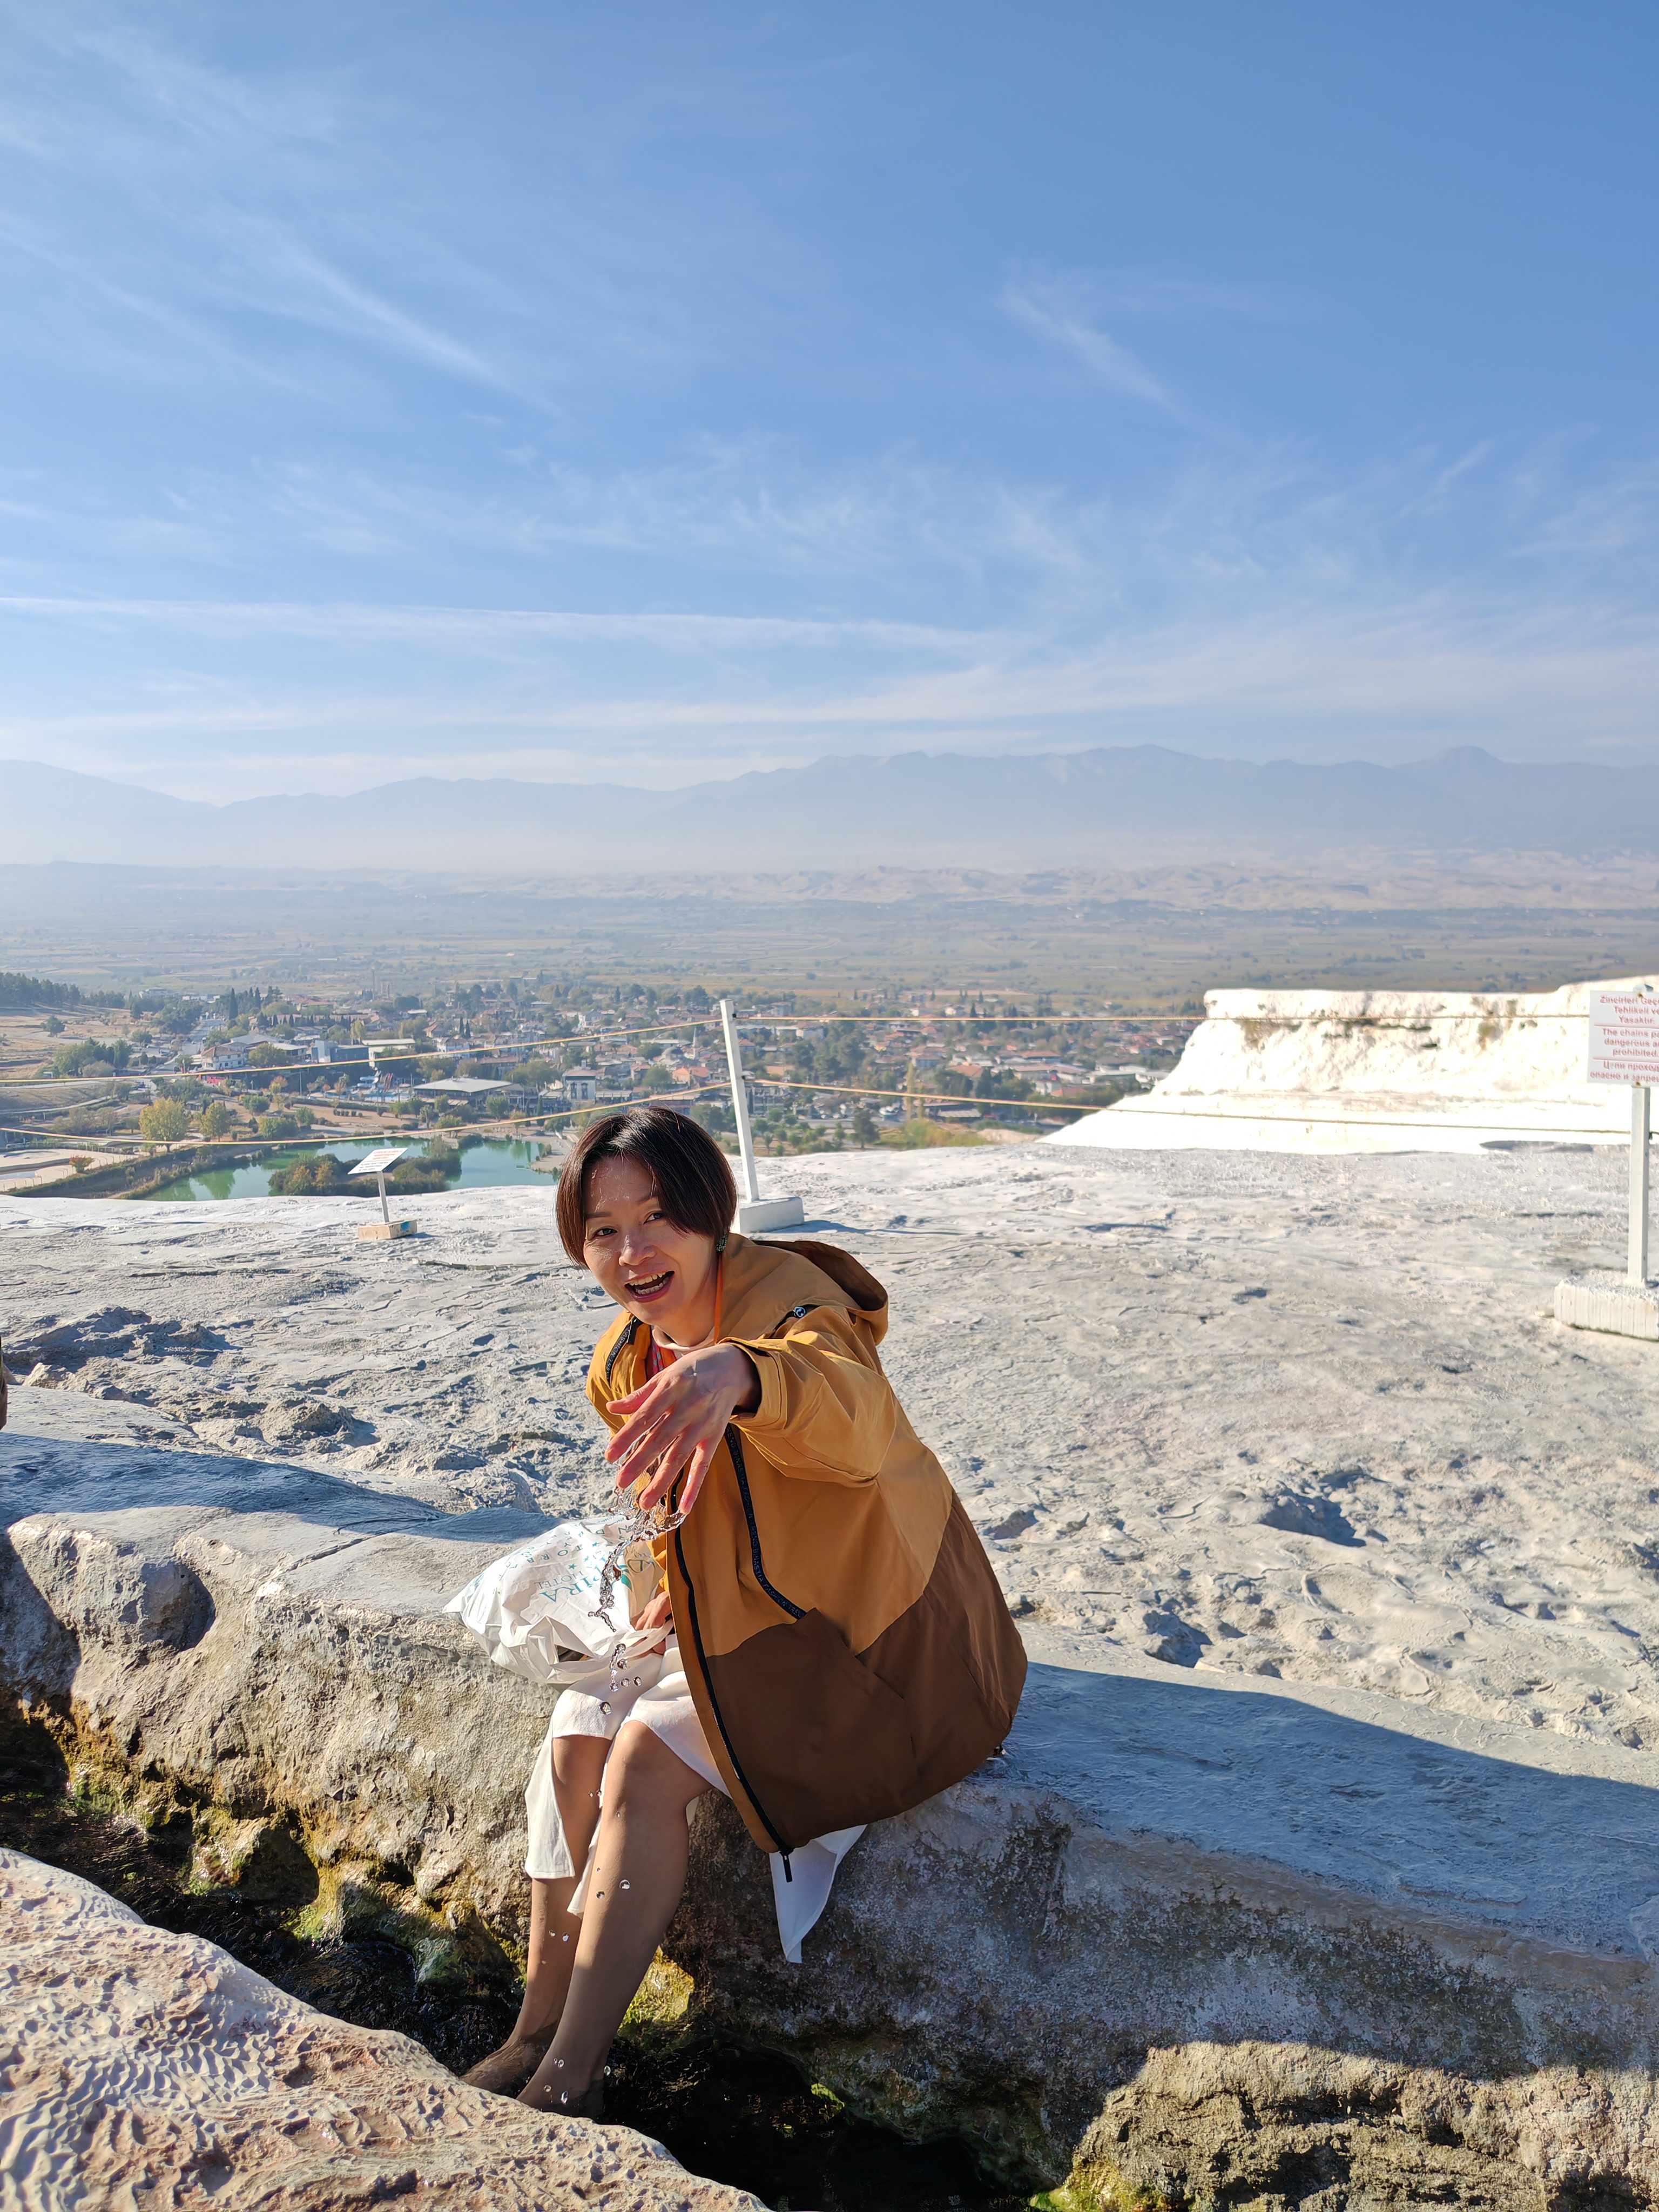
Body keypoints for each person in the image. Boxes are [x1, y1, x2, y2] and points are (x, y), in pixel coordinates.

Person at [464, 1103, 1026, 2117]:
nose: (633, 1252)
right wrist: (663, 1594)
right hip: (756, 1623)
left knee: (643, 1762)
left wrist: (744, 1372)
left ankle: (571, 2079)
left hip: (879, 1637)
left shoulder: (793, 1302)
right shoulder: (625, 1364)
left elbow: (852, 1422)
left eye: (658, 1218)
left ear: (712, 1215)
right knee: (576, 1731)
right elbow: (692, 1516)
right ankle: (535, 2021)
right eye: (602, 1230)